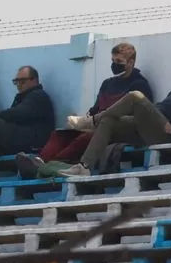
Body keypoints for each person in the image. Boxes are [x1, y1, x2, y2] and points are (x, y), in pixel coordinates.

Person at [16, 43, 153, 178]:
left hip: (114, 128)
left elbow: (139, 115)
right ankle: (40, 161)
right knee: (60, 134)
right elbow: (95, 108)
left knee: (84, 138)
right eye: (113, 61)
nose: (114, 65)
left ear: (131, 62)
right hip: (94, 124)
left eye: (119, 62)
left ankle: (51, 165)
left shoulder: (139, 85)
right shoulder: (108, 84)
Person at [57, 52, 171, 177]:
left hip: (166, 133)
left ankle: (91, 121)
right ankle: (84, 167)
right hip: (149, 127)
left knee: (135, 96)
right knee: (109, 121)